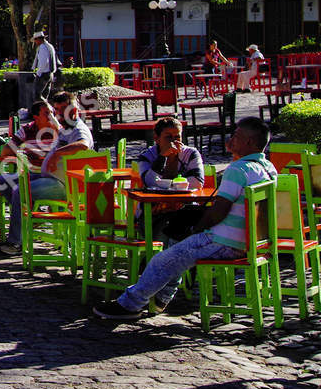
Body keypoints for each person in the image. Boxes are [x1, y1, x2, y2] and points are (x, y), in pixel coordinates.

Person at [93, 117, 277, 320]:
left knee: (162, 260)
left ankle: (130, 304)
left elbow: (218, 211)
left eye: (236, 136)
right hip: (248, 241)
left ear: (249, 142)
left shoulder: (238, 169)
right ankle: (160, 298)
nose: (231, 138)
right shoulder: (268, 168)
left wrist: (196, 230)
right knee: (176, 247)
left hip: (225, 241)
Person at [0, 94, 92, 255]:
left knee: (20, 191)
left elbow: (83, 145)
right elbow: (5, 151)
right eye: (57, 109)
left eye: (63, 109)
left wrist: (56, 154)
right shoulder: (65, 128)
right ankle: (31, 218)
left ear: (74, 110)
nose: (58, 113)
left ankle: (16, 242)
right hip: (49, 177)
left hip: (64, 184)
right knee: (4, 181)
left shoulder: (78, 129)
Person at [135, 116, 206, 191]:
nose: (173, 141)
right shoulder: (147, 156)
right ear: (157, 138)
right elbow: (149, 182)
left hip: (185, 197)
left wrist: (167, 186)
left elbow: (197, 183)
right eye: (168, 137)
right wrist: (162, 156)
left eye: (177, 137)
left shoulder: (191, 154)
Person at [31, 30, 60, 103]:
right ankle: (46, 106)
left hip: (43, 74)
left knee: (37, 96)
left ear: (39, 39)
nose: (35, 42)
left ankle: (46, 106)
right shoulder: (49, 46)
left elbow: (43, 62)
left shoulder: (42, 47)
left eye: (35, 40)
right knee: (44, 95)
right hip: (50, 73)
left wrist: (38, 73)